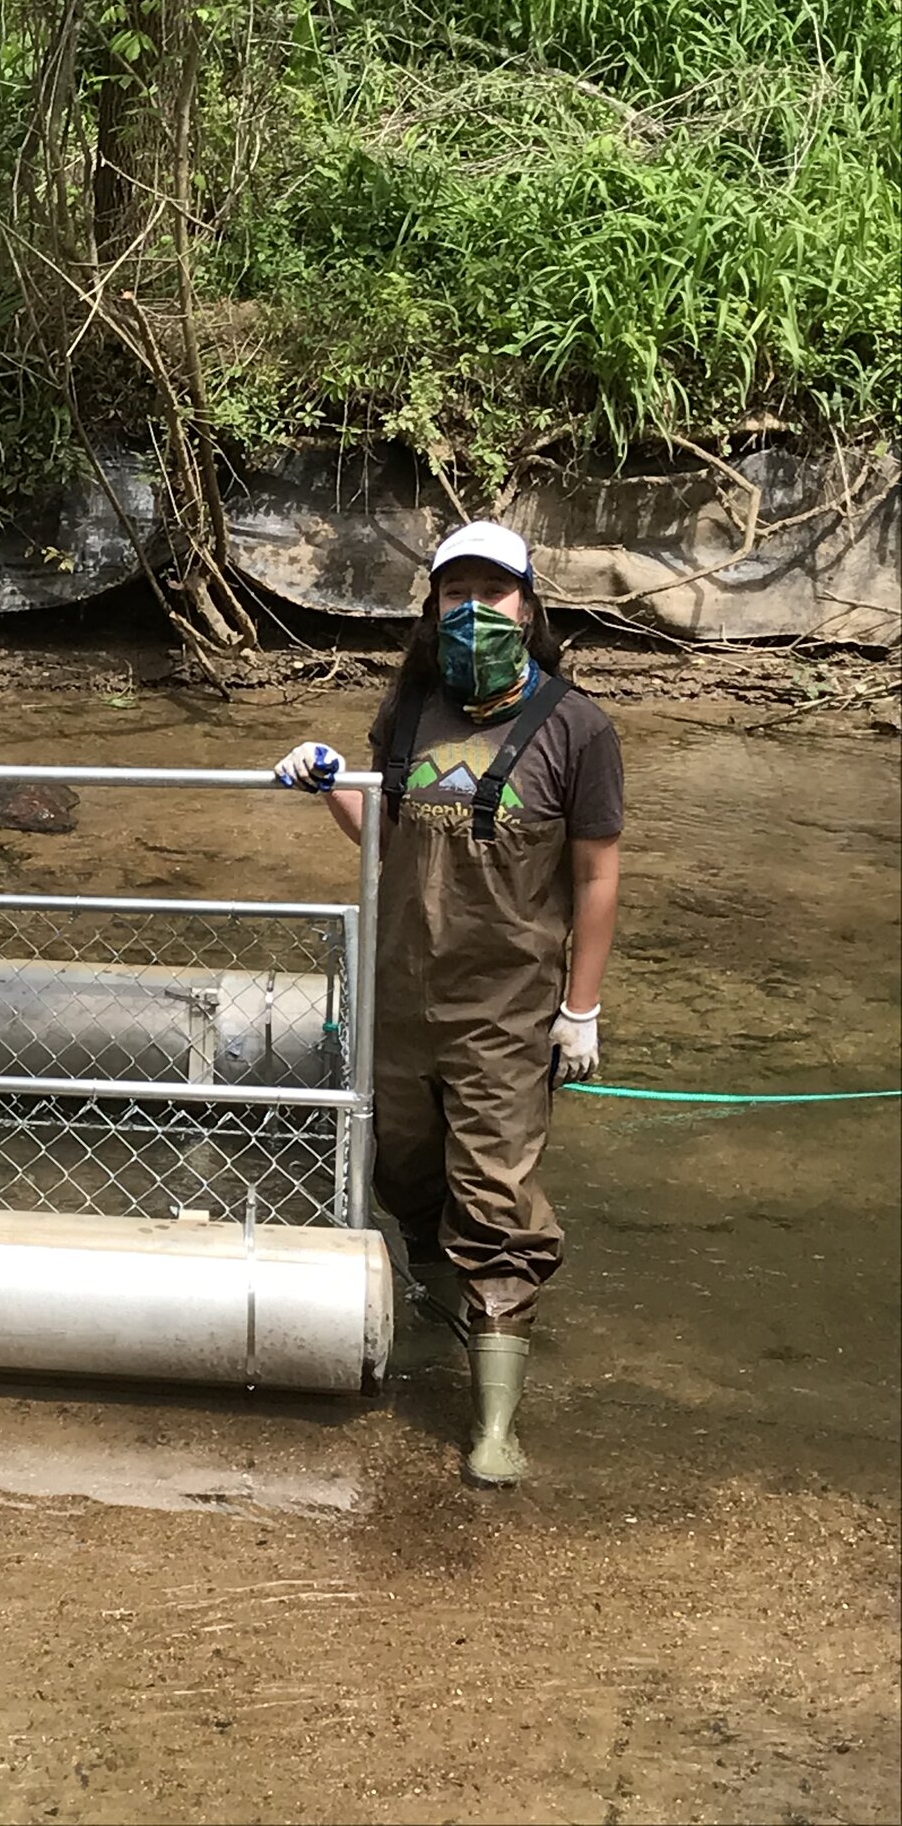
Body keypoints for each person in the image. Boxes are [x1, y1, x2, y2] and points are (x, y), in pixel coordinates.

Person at [272, 520, 621, 1486]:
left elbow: (596, 877)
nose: (474, 613)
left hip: (505, 1014)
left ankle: (495, 1424)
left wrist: (579, 1010)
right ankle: (439, 1314)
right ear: (431, 609)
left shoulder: (576, 728)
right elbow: (382, 830)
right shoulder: (414, 707)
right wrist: (333, 780)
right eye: (454, 595)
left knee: (499, 1201)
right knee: (407, 1174)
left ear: (530, 604)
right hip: (401, 998)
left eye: (494, 595)